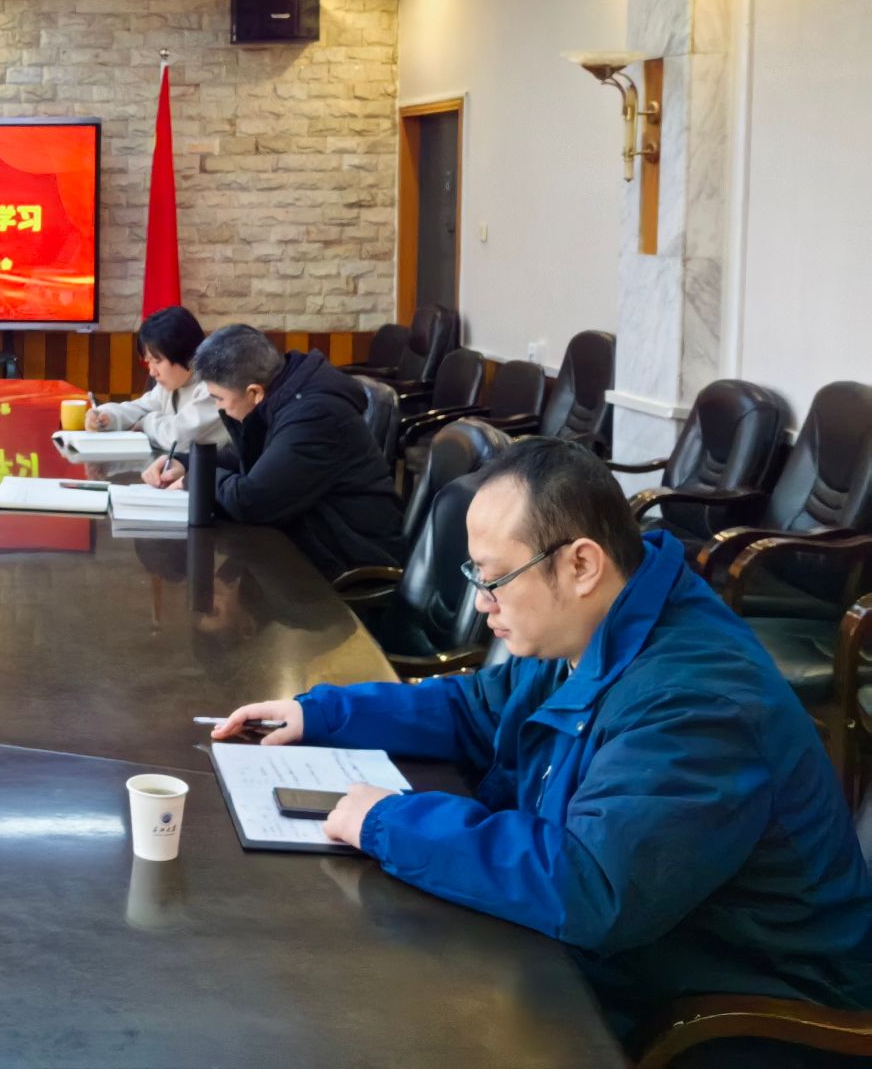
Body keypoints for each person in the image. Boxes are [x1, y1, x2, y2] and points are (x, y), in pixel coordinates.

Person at [213, 439, 872, 1052]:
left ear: (581, 564)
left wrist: (388, 821)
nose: (482, 603)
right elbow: (480, 707)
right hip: (630, 955)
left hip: (742, 1015)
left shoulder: (695, 701)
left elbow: (592, 888)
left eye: (494, 578)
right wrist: (322, 713)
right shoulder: (597, 623)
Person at [148, 323, 401, 576]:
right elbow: (247, 458)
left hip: (351, 558)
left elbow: (252, 502)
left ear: (254, 392)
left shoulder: (314, 415)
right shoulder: (285, 391)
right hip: (311, 541)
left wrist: (198, 479)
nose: (219, 408)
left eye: (219, 399)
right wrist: (187, 463)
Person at [85, 305, 226, 451]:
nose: (152, 372)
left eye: (157, 361)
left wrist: (145, 423)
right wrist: (107, 415)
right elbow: (140, 408)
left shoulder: (216, 389)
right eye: (148, 362)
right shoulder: (173, 384)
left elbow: (176, 437)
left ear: (184, 352)